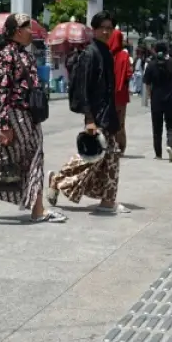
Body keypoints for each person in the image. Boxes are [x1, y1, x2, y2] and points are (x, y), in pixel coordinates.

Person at [0, 13, 66, 223]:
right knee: (14, 159)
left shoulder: (26, 54)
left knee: (31, 158)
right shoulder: (5, 55)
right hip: (14, 114)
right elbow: (3, 92)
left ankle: (37, 208)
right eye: (27, 27)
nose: (31, 31)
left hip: (29, 115)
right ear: (17, 31)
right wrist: (4, 125)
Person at [47, 11, 128, 215]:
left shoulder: (105, 52)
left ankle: (106, 201)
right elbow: (83, 89)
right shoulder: (90, 54)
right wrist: (90, 119)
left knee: (106, 158)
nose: (106, 31)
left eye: (110, 28)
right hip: (97, 116)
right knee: (94, 157)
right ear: (94, 29)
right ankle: (59, 180)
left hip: (106, 113)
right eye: (103, 27)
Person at [144, 42, 172, 162]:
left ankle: (158, 154)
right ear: (167, 51)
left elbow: (147, 83)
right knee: (171, 125)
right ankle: (170, 146)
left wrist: (150, 96)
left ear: (155, 50)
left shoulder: (151, 64)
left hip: (157, 99)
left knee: (157, 128)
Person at [110, 28, 132, 153]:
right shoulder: (125, 55)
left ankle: (110, 145)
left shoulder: (106, 54)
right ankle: (121, 146)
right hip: (121, 95)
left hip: (108, 95)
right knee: (121, 122)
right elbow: (129, 74)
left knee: (108, 122)